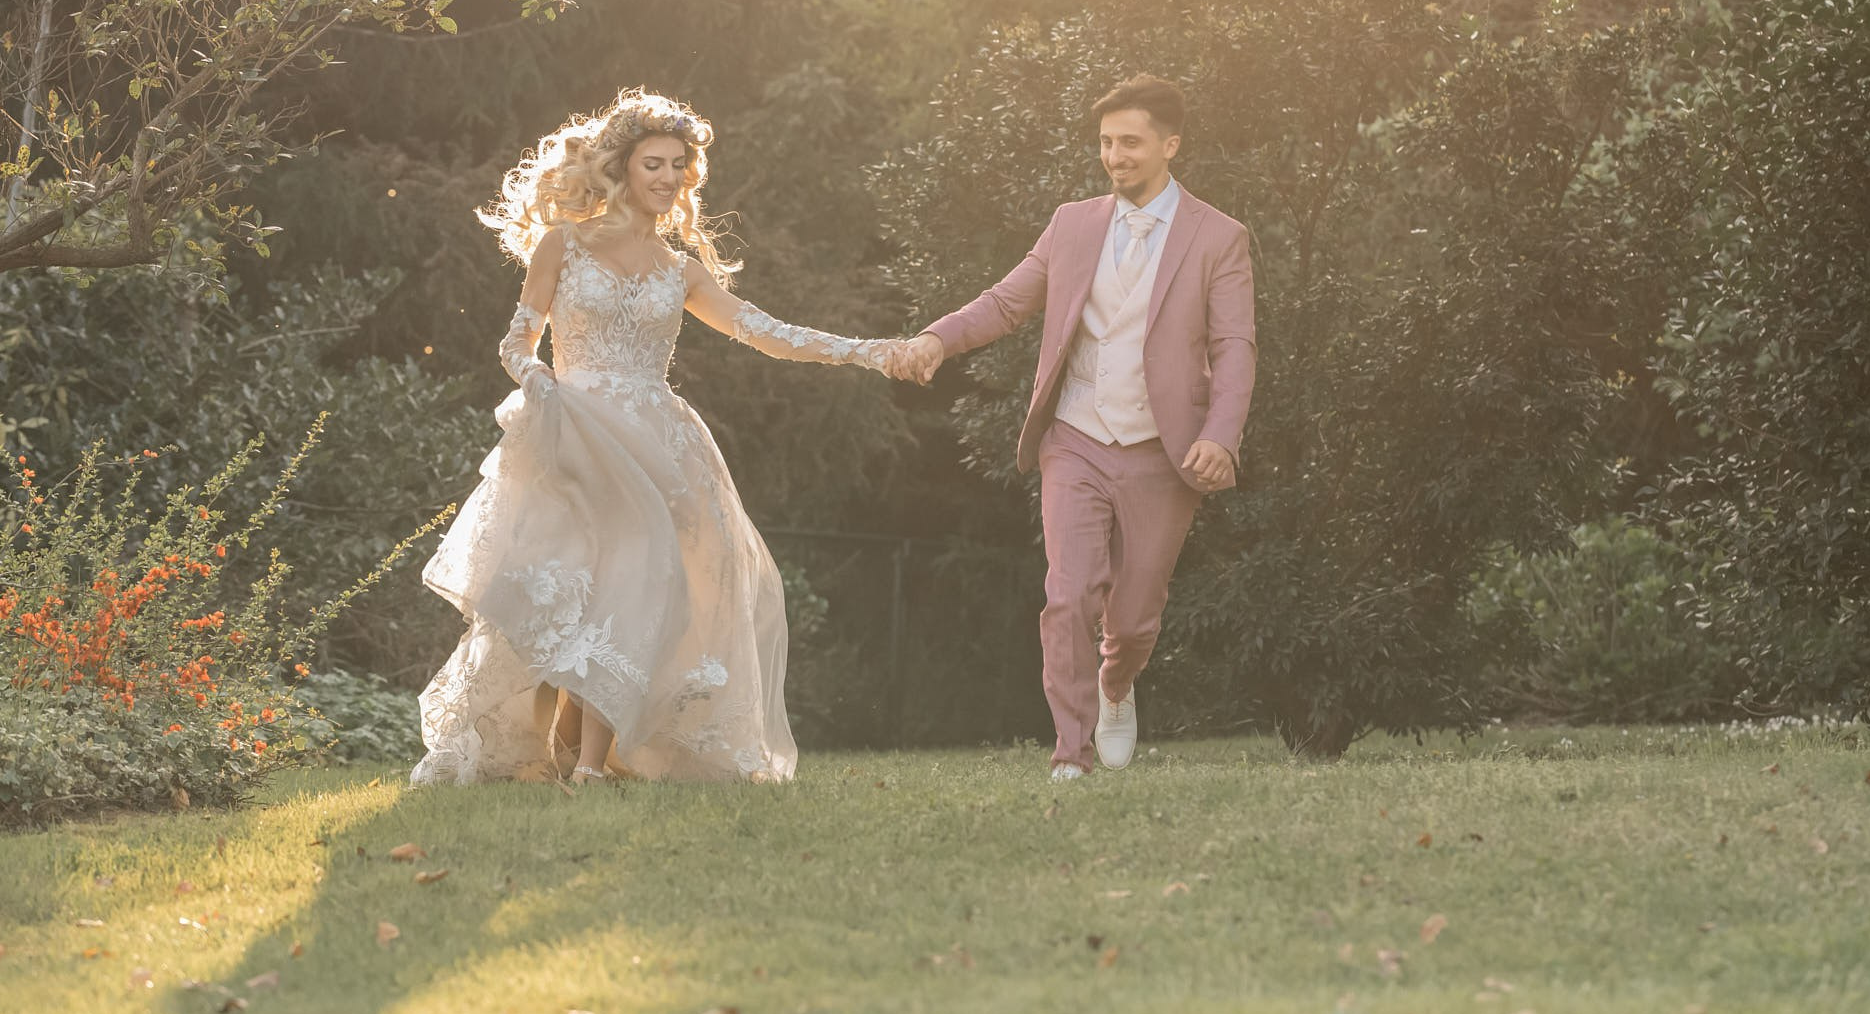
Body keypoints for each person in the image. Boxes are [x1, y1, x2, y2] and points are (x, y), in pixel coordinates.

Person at [411, 90, 900, 787]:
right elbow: (515, 338)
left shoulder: (681, 272)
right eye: (654, 163)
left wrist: (864, 351)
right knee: (562, 590)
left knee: (638, 581)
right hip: (572, 432)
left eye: (678, 165)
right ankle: (555, 742)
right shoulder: (564, 245)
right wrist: (536, 376)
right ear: (622, 167)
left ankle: (588, 764)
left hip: (656, 444)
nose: (668, 177)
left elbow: (764, 330)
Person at [893, 74, 1256, 781]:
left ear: (1169, 144)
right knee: (1068, 592)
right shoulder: (1073, 224)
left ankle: (1116, 686)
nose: (1115, 156)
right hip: (1075, 436)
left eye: (1130, 142)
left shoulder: (1220, 238)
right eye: (1105, 143)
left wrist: (1222, 432)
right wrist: (938, 339)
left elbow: (1234, 346)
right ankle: (1071, 753)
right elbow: (1005, 303)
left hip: (1164, 447)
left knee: (1135, 617)